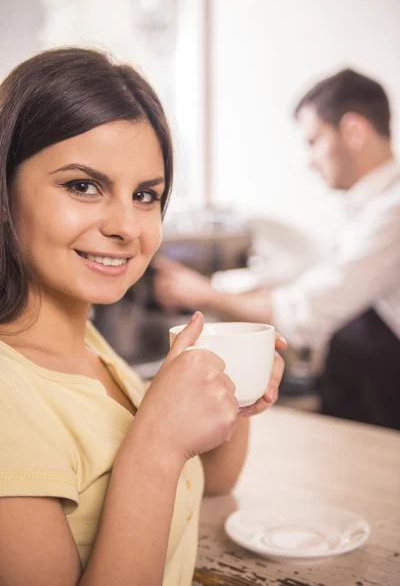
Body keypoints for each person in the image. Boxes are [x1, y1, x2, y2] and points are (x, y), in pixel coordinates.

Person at [0, 48, 286, 586]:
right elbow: (160, 461)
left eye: (145, 195)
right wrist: (155, 445)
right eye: (83, 186)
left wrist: (233, 396)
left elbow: (211, 480)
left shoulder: (86, 347)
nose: (127, 227)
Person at [154, 69, 400, 430]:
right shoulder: (370, 209)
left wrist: (204, 294)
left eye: (314, 141)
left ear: (354, 131)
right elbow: (316, 288)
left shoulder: (391, 213)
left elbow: (303, 313)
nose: (310, 160)